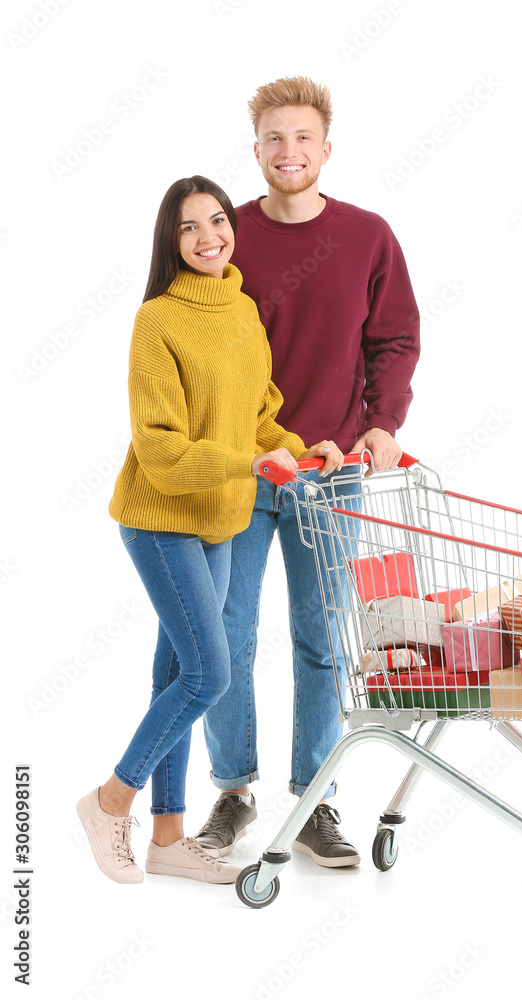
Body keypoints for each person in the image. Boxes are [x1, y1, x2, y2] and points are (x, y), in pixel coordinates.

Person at [76, 175, 343, 884]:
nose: (207, 237)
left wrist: (300, 444)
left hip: (220, 520)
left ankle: (167, 837)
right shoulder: (157, 321)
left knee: (174, 673)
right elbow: (160, 446)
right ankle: (109, 802)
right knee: (208, 673)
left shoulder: (243, 309)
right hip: (161, 521)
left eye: (216, 221)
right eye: (189, 227)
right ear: (171, 240)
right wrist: (247, 461)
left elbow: (258, 416)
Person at [196, 76, 421, 867]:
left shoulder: (367, 237)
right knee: (224, 637)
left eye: (302, 138)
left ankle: (316, 798)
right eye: (272, 139)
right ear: (254, 150)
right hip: (241, 471)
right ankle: (231, 792)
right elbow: (201, 349)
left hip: (332, 473)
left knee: (321, 640)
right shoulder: (228, 240)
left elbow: (392, 341)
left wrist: (380, 425)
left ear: (326, 149)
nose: (287, 152)